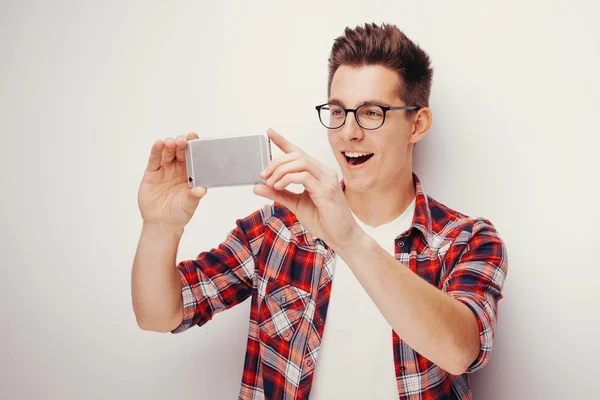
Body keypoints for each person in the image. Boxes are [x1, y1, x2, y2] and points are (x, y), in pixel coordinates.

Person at [132, 22, 508, 400]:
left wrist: (349, 238)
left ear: (417, 124)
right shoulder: (275, 231)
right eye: (338, 111)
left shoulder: (467, 239)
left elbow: (461, 351)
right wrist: (160, 226)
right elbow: (159, 314)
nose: (349, 132)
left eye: (372, 113)